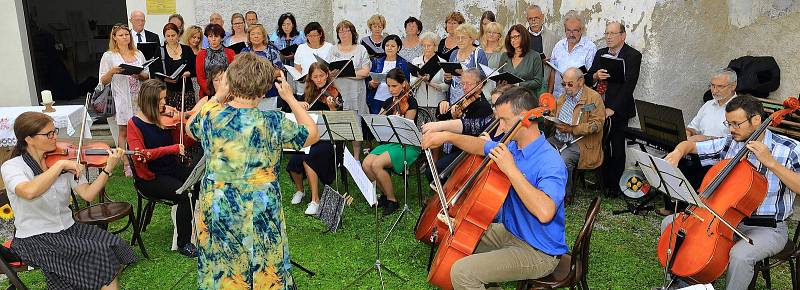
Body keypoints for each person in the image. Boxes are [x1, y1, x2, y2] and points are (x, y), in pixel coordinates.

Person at [187, 52, 319, 289]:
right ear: (263, 90)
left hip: (218, 205)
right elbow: (312, 133)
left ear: (231, 80)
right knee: (264, 264)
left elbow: (190, 128)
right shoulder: (272, 121)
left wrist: (218, 95)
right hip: (260, 207)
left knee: (222, 268)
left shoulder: (212, 115)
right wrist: (290, 99)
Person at [421, 86, 568, 289]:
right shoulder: (514, 146)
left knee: (462, 273)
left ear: (525, 118)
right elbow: (480, 146)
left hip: (538, 250)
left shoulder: (550, 161)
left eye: (504, 120)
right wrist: (448, 136)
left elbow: (545, 212)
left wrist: (511, 170)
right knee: (459, 237)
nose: (500, 126)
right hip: (512, 231)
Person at [660, 96, 800, 290]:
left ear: (756, 120)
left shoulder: (790, 149)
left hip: (768, 228)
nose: (731, 129)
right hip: (726, 221)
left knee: (741, 255)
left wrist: (772, 164)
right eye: (728, 123)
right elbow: (690, 145)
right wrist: (677, 152)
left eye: (736, 123)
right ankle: (684, 284)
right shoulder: (731, 142)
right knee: (671, 223)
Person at [1, 112, 137, 290]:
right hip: (35, 238)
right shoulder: (13, 167)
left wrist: (108, 169)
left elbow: (88, 194)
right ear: (29, 138)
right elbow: (29, 191)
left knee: (113, 244)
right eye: (49, 134)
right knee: (98, 254)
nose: (55, 137)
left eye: (54, 131)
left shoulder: (64, 158)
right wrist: (60, 167)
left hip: (69, 227)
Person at [126, 79, 198, 257]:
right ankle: (184, 242)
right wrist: (171, 149)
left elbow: (180, 142)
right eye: (161, 100)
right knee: (183, 194)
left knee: (198, 180)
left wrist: (191, 133)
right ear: (150, 102)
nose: (166, 103)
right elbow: (140, 155)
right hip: (150, 178)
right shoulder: (134, 124)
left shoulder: (165, 119)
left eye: (165, 98)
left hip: (170, 168)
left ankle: (197, 226)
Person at [585, 21, 642, 197]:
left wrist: (612, 109)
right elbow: (588, 79)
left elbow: (629, 86)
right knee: (600, 144)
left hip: (618, 108)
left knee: (617, 146)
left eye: (612, 33)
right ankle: (602, 180)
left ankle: (615, 185)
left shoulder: (633, 55)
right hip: (598, 106)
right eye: (606, 33)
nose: (608, 37)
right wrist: (595, 76)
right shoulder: (600, 53)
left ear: (622, 36)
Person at [287, 63, 344, 215]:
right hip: (311, 137)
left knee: (309, 156)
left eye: (322, 76)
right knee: (293, 160)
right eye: (315, 77)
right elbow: (293, 110)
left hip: (328, 139)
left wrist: (332, 109)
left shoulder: (335, 93)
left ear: (327, 75)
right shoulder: (308, 93)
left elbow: (338, 122)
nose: (319, 79)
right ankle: (300, 190)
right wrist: (299, 105)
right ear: (310, 79)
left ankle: (315, 200)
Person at [362, 68, 419, 215]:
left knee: (376, 164)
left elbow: (408, 128)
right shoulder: (388, 102)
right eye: (388, 86)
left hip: (407, 144)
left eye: (394, 86)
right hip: (390, 143)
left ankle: (392, 200)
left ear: (403, 84)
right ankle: (385, 195)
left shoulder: (411, 101)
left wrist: (398, 119)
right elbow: (378, 121)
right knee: (366, 164)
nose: (391, 89)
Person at [422, 68, 493, 182]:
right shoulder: (465, 100)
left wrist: (456, 118)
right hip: (457, 147)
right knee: (433, 171)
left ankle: (445, 195)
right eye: (462, 84)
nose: (464, 87)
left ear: (479, 85)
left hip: (468, 151)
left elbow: (470, 130)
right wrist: (443, 105)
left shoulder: (482, 106)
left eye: (468, 84)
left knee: (433, 172)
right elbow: (441, 117)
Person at [99, 23, 150, 176]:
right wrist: (113, 71)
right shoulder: (109, 56)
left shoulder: (138, 53)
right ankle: (126, 163)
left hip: (138, 97)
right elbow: (102, 80)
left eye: (126, 34)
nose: (124, 37)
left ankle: (141, 159)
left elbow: (146, 75)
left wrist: (139, 74)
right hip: (121, 97)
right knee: (124, 130)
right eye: (121, 35)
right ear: (114, 38)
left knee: (141, 128)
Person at [547, 67, 605, 200]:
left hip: (580, 143)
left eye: (570, 84)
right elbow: (553, 114)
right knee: (539, 149)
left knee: (563, 161)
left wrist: (572, 129)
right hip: (559, 138)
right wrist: (549, 117)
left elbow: (597, 124)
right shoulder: (563, 97)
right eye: (563, 84)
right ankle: (543, 187)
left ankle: (563, 196)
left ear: (580, 81)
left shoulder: (593, 98)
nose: (566, 87)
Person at [329, 20, 371, 160]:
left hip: (355, 93)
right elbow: (330, 71)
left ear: (352, 32)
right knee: (339, 126)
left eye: (346, 30)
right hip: (339, 92)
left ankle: (356, 158)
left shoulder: (361, 49)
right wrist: (350, 72)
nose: (343, 33)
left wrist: (344, 72)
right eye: (340, 31)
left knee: (356, 126)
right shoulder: (334, 49)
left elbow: (365, 72)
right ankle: (340, 158)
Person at [550, 11, 596, 97]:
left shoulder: (590, 48)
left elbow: (590, 76)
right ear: (565, 30)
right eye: (568, 30)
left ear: (581, 30)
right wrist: (549, 93)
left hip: (577, 98)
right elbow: (553, 71)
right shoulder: (559, 45)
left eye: (575, 30)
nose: (571, 34)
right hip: (557, 96)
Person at [686, 68, 739, 141]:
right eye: (712, 85)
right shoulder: (708, 104)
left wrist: (707, 139)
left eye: (720, 86)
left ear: (733, 86)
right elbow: (693, 128)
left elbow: (738, 142)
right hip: (698, 149)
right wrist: (688, 133)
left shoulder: (741, 108)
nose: (714, 91)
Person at [443, 23, 488, 106]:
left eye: (463, 37)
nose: (460, 40)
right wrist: (447, 78)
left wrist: (464, 74)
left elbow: (483, 78)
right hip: (453, 99)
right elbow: (449, 81)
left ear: (472, 39)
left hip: (471, 100)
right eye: (458, 38)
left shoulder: (479, 53)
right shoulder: (454, 53)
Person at [366, 35, 411, 114]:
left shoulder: (404, 64)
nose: (389, 48)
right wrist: (371, 84)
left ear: (398, 48)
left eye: (393, 46)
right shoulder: (376, 62)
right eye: (387, 45)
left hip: (394, 101)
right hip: (377, 100)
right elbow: (368, 81)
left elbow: (406, 84)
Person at [411, 32, 449, 122]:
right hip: (420, 104)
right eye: (424, 46)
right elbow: (411, 83)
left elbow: (446, 86)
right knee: (421, 130)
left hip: (436, 104)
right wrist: (419, 78)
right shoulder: (416, 61)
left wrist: (430, 83)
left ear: (435, 46)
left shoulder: (442, 62)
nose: (426, 48)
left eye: (429, 45)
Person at [159, 23, 196, 111]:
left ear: (178, 35)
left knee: (187, 119)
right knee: (171, 120)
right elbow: (155, 71)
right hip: (169, 92)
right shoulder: (160, 51)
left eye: (173, 35)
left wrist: (189, 73)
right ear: (164, 37)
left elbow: (195, 68)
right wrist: (166, 79)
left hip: (186, 90)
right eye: (168, 36)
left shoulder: (187, 49)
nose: (171, 38)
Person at [242, 24, 284, 100]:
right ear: (249, 37)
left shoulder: (272, 51)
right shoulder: (245, 52)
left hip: (270, 93)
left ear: (263, 36)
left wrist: (262, 76)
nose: (256, 36)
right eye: (253, 34)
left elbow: (280, 71)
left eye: (259, 33)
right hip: (249, 93)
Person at [498, 24, 543, 92]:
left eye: (516, 36)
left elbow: (538, 82)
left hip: (525, 97)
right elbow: (499, 78)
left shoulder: (535, 56)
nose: (513, 40)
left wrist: (518, 84)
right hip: (506, 96)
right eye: (511, 37)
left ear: (524, 37)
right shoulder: (505, 56)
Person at [526, 5, 560, 94]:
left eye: (536, 18)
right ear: (527, 19)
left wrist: (550, 61)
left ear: (542, 17)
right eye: (530, 19)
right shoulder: (522, 37)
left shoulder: (553, 38)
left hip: (545, 82)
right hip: (526, 83)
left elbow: (558, 61)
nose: (534, 21)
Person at [196, 24, 235, 98]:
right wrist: (209, 91)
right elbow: (200, 77)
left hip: (227, 93)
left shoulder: (230, 53)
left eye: (216, 36)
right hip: (207, 94)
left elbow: (233, 74)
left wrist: (226, 91)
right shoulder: (201, 54)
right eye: (210, 36)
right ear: (207, 38)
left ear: (221, 38)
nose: (213, 39)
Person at [293, 22, 334, 93]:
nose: (312, 38)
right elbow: (297, 69)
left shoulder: (329, 47)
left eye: (314, 35)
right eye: (309, 36)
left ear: (320, 34)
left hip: (325, 86)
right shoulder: (301, 48)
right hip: (306, 87)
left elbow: (333, 67)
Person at [480, 22, 505, 98]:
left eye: (494, 32)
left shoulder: (503, 52)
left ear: (499, 36)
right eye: (489, 32)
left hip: (494, 87)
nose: (491, 34)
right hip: (479, 84)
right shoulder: (479, 50)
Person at [181, 25, 204, 101]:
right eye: (194, 37)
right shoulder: (183, 50)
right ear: (188, 36)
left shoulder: (202, 51)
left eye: (198, 38)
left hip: (200, 81)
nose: (196, 40)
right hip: (188, 82)